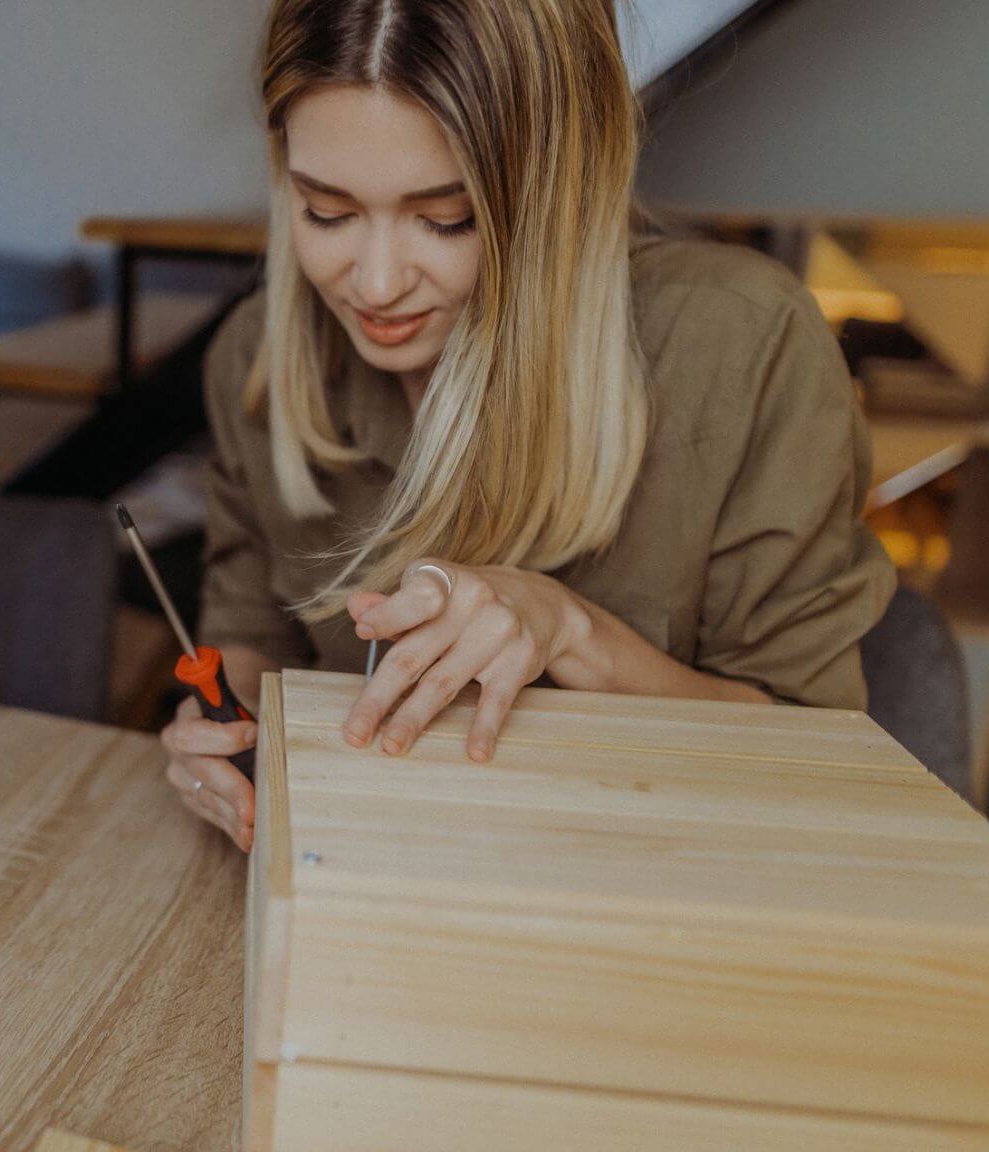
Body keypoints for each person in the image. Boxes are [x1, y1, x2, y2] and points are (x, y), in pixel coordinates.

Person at [162, 0, 896, 851]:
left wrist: (572, 630)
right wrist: (217, 733)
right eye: (326, 211)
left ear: (562, 188)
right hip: (367, 883)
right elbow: (246, 644)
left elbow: (813, 754)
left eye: (447, 219)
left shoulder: (743, 347)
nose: (375, 282)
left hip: (645, 893)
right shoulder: (255, 357)